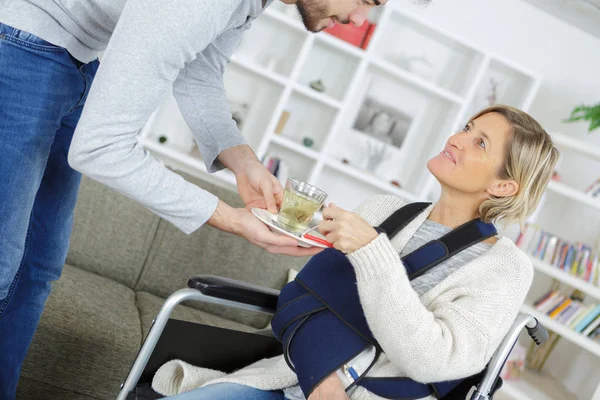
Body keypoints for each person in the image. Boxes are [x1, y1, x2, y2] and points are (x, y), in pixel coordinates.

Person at [0, 0, 392, 397]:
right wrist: (231, 218)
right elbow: (99, 149)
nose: (358, 20)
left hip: (73, 60)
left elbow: (200, 73)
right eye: (367, 1)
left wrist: (245, 164)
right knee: (3, 267)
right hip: (21, 46)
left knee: (35, 270)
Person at [150, 104, 559, 400]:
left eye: (479, 142)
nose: (456, 139)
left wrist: (371, 252)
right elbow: (300, 302)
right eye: (466, 127)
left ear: (504, 186)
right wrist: (323, 385)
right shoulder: (384, 211)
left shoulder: (504, 269)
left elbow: (434, 360)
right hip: (292, 379)